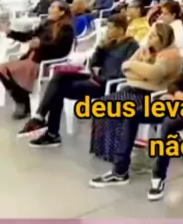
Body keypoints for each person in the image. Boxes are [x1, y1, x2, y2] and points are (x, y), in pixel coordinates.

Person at [90, 25, 183, 193]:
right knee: (133, 113)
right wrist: (176, 92)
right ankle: (120, 171)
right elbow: (174, 84)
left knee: (169, 124)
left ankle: (158, 177)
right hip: (175, 104)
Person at [19, 14, 139, 146]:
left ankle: (50, 131)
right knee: (59, 75)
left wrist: (103, 74)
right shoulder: (109, 43)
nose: (107, 31)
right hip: (95, 77)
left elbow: (127, 69)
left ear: (120, 30)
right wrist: (99, 49)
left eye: (110, 28)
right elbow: (93, 62)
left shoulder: (132, 46)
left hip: (107, 84)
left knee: (58, 90)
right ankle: (40, 118)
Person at [89, 23, 182, 166]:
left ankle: (116, 153)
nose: (150, 38)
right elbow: (125, 67)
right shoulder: (145, 49)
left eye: (154, 36)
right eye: (150, 35)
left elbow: (155, 74)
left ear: (163, 38)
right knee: (101, 104)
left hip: (152, 95)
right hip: (133, 88)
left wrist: (135, 69)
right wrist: (141, 73)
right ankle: (102, 149)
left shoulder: (171, 55)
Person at [0, 1, 74, 118]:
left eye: (53, 7)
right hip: (32, 58)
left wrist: (41, 44)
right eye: (50, 7)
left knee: (4, 69)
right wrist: (10, 32)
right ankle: (21, 100)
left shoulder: (66, 29)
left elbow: (61, 49)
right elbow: (28, 37)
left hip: (45, 62)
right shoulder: (46, 24)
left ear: (62, 12)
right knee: (3, 70)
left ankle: (22, 101)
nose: (49, 9)